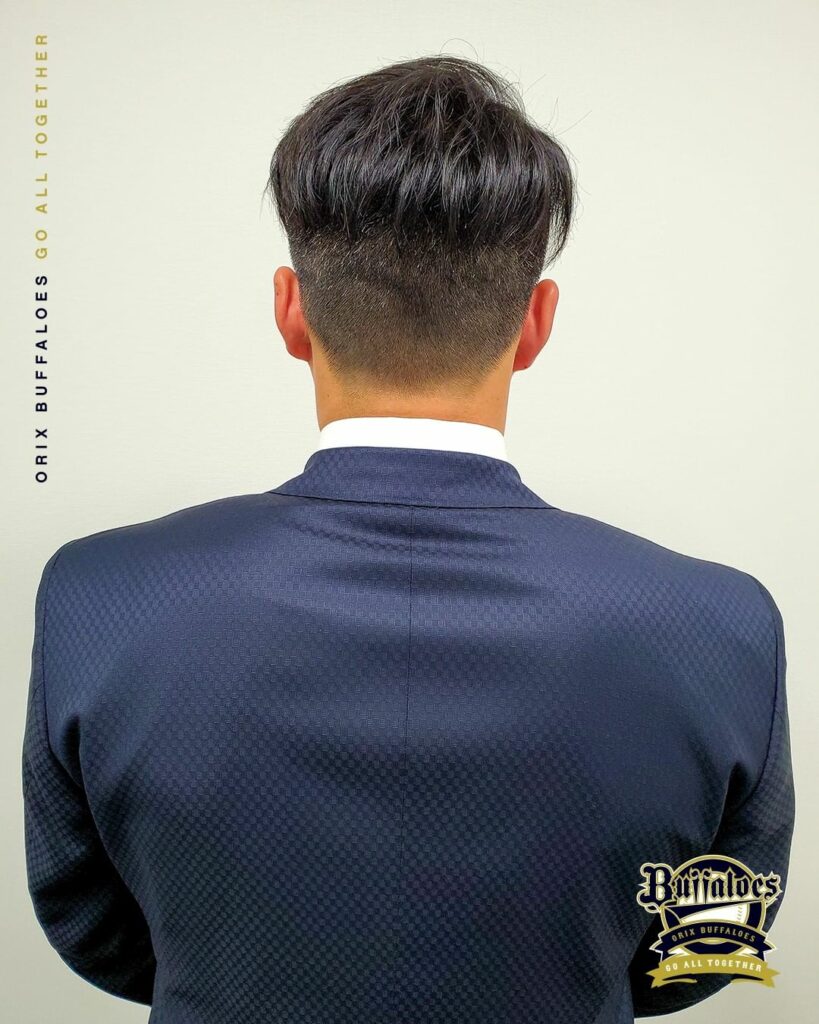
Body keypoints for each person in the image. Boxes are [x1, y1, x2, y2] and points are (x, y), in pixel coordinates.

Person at [21, 55, 795, 1023]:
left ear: (290, 311)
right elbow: (701, 954)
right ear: (537, 323)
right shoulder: (720, 628)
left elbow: (93, 924)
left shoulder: (100, 596)